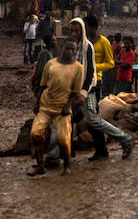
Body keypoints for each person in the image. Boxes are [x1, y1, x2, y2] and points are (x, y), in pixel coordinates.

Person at [70, 18, 134, 162]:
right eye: (71, 31)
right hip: (79, 88)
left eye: (76, 30)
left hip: (91, 85)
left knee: (93, 120)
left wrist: (84, 90)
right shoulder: (76, 46)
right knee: (84, 121)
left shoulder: (91, 45)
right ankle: (98, 151)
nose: (73, 34)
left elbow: (98, 66)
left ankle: (124, 139)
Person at [28, 39, 83, 177]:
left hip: (62, 108)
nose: (69, 52)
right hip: (46, 105)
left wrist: (67, 106)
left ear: (76, 52)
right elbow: (43, 85)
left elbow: (75, 92)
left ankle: (67, 166)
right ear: (61, 48)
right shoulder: (50, 64)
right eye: (67, 48)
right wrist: (37, 102)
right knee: (35, 133)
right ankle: (40, 165)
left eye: (73, 50)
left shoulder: (78, 68)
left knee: (63, 138)